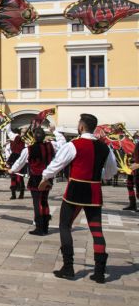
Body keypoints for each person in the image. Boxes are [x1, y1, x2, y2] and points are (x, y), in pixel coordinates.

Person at [39, 113, 118, 284]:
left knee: (65, 225)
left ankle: (68, 267)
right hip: (94, 191)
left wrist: (45, 177)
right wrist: (97, 174)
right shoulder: (105, 148)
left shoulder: (73, 145)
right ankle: (100, 272)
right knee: (97, 230)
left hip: (75, 190)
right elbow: (111, 172)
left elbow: (57, 164)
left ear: (81, 127)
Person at [9, 127, 66, 235]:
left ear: (33, 137)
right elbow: (62, 142)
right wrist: (54, 131)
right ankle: (45, 226)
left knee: (38, 203)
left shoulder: (28, 149)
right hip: (47, 178)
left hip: (36, 179)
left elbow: (19, 162)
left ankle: (40, 227)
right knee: (44, 201)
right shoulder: (51, 146)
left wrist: (11, 170)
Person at [7, 127, 27, 200]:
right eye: (22, 132)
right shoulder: (16, 138)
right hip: (14, 158)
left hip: (21, 158)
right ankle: (14, 194)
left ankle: (21, 194)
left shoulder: (25, 140)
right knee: (13, 178)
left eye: (24, 132)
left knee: (20, 178)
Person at [124, 135, 139, 211]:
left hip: (137, 168)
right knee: (129, 185)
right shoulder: (133, 144)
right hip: (133, 168)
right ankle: (132, 204)